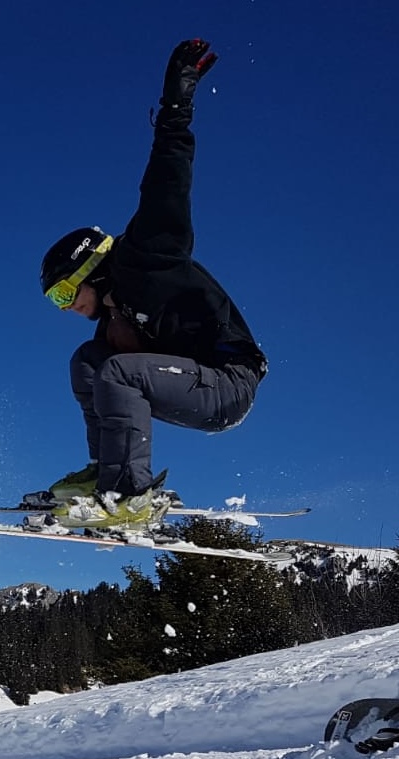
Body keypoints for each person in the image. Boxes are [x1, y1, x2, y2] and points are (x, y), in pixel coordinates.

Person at [39, 39, 268, 529]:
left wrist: (176, 106)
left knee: (117, 371)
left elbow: (167, 179)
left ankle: (128, 497)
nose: (63, 308)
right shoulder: (113, 324)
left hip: (229, 381)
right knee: (89, 362)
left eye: (63, 293)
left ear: (88, 272)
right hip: (186, 377)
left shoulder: (146, 254)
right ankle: (107, 474)